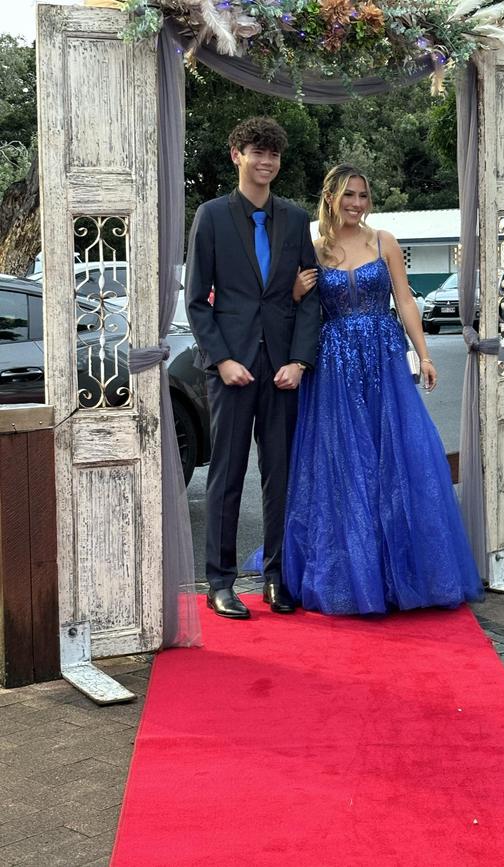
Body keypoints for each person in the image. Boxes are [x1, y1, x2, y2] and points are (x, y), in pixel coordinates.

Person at [283, 164, 484, 615]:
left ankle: (407, 573)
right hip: (333, 365)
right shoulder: (313, 248)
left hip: (383, 358)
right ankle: (352, 575)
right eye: (348, 195)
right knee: (343, 464)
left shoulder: (385, 241)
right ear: (331, 196)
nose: (356, 203)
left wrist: (425, 355)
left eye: (363, 196)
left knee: (397, 457)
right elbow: (299, 310)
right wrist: (296, 292)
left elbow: (406, 298)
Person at [185, 117, 320, 619]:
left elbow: (308, 297)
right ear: (235, 155)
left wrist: (300, 361)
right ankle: (220, 582)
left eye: (273, 155)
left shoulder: (294, 218)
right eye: (255, 152)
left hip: (283, 368)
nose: (266, 162)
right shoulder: (212, 216)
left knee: (280, 476)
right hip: (231, 369)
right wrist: (221, 360)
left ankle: (276, 578)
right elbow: (196, 300)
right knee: (226, 474)